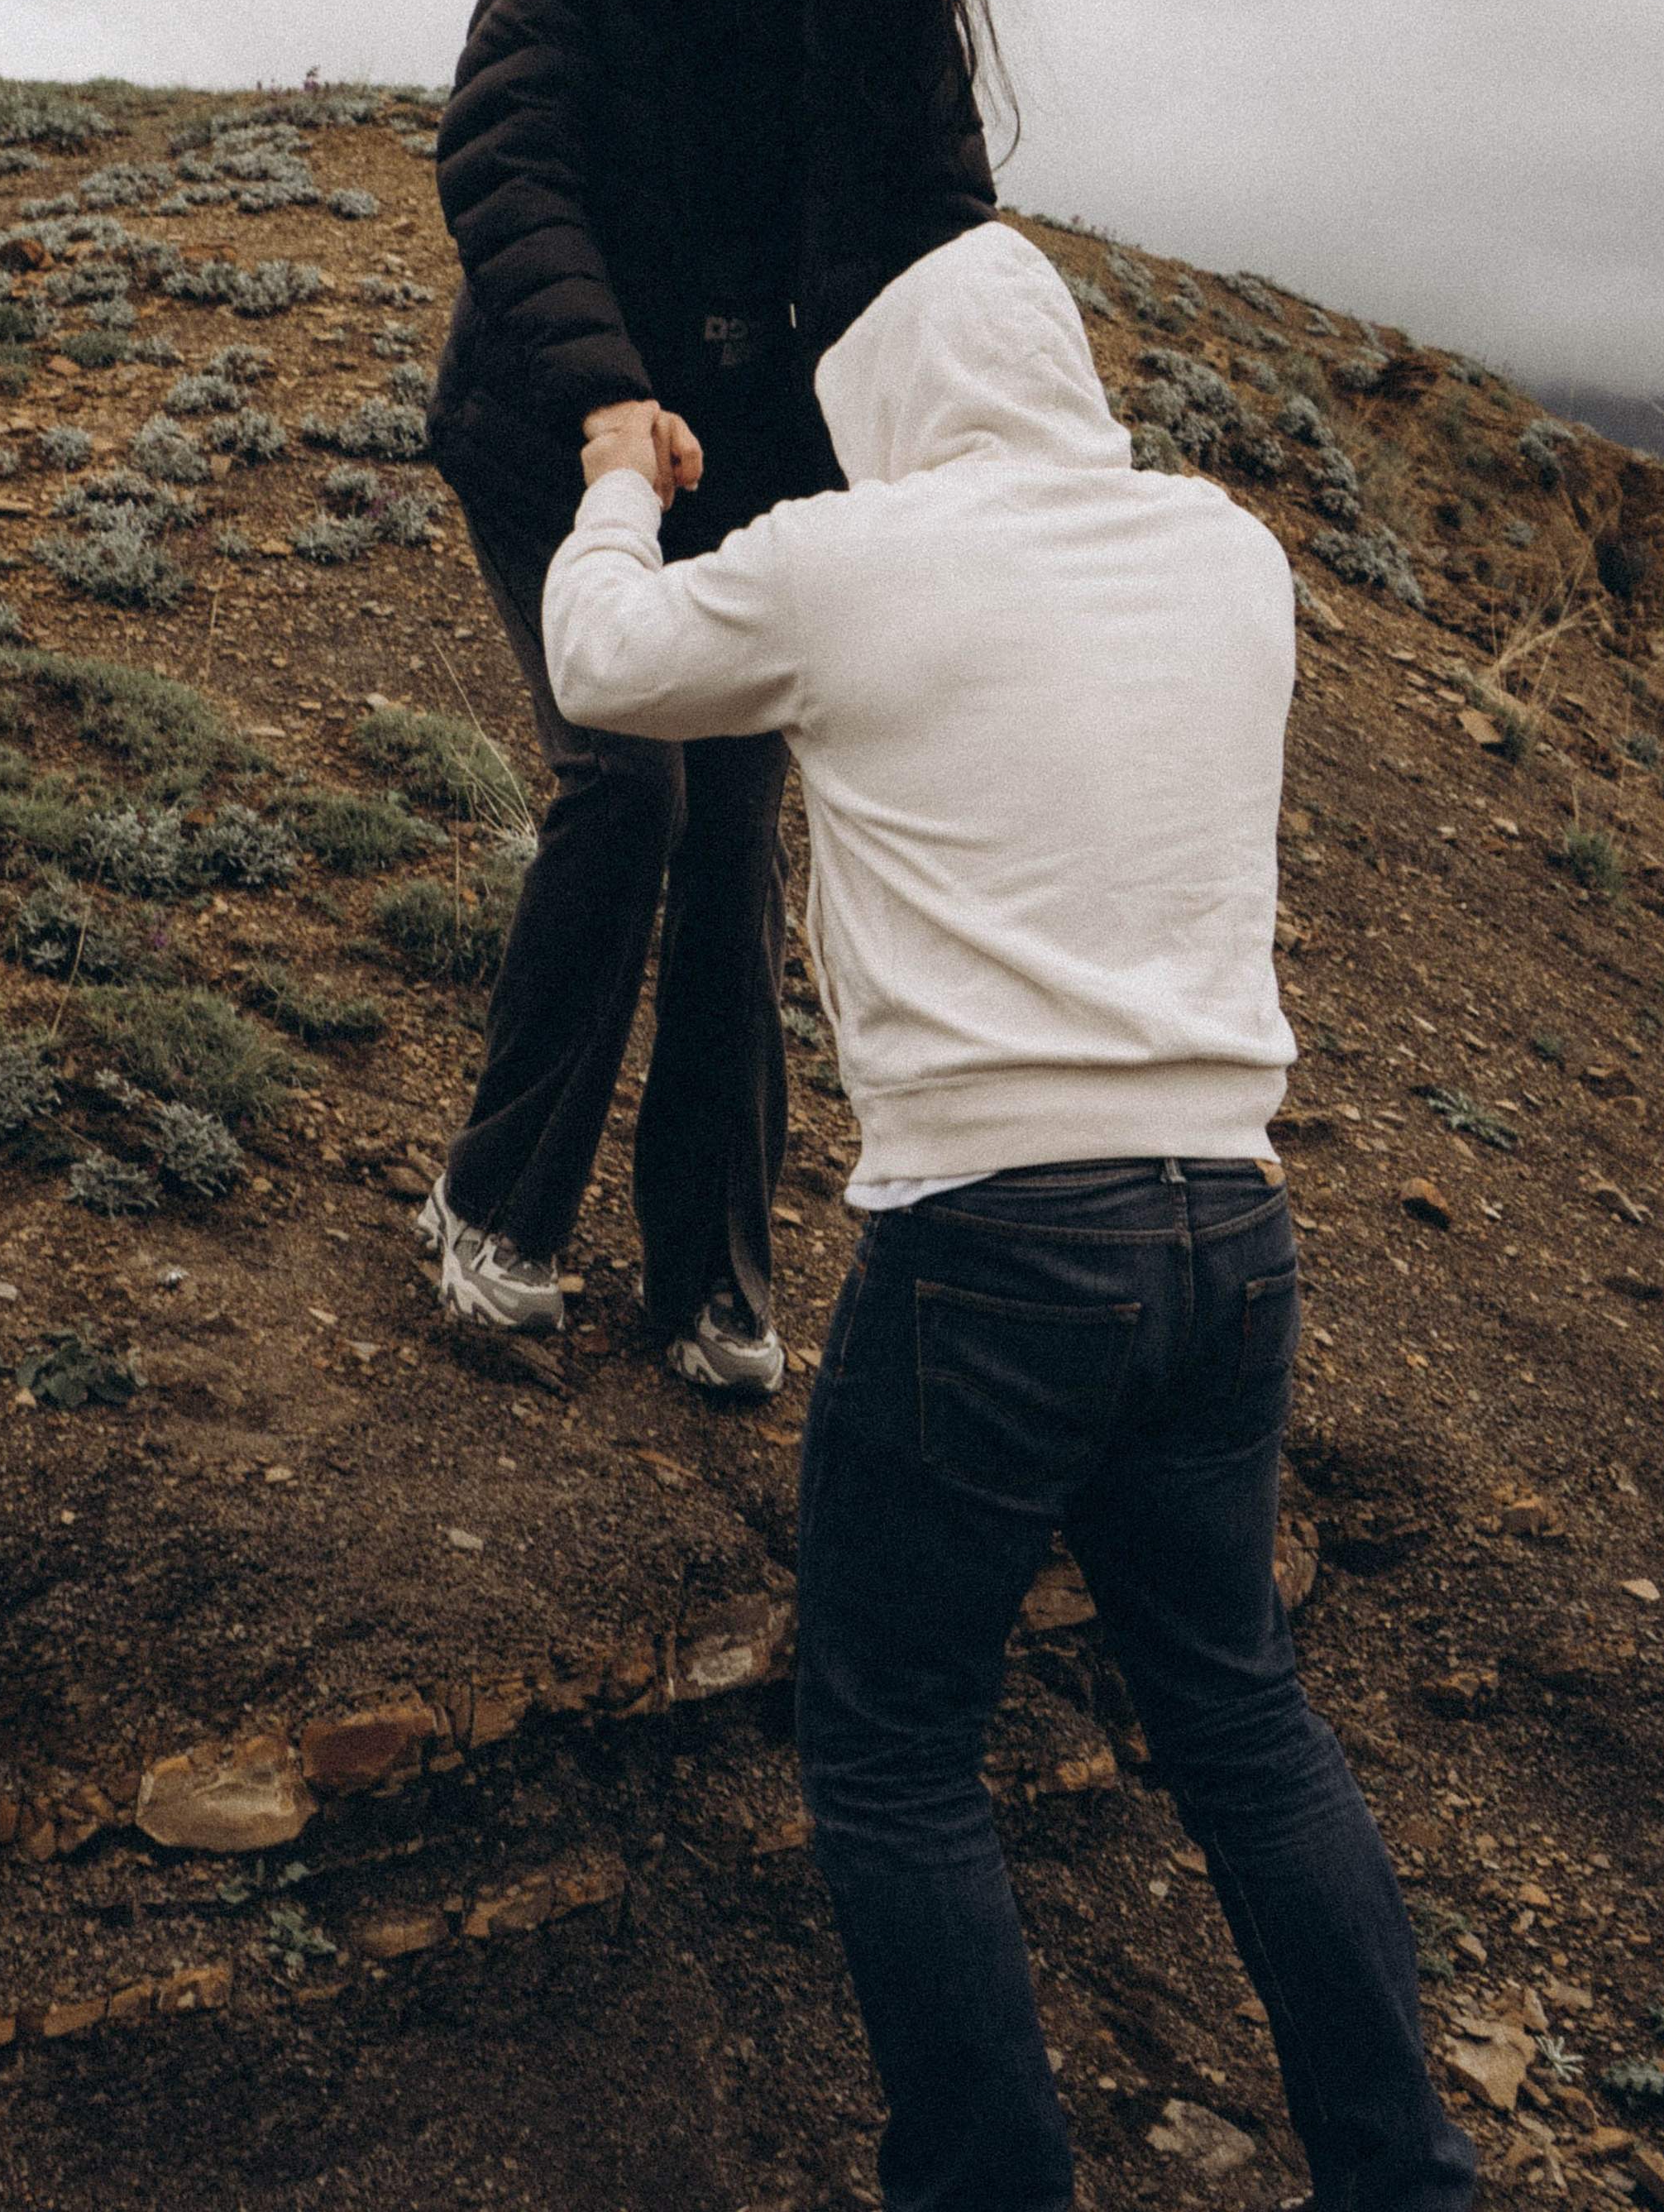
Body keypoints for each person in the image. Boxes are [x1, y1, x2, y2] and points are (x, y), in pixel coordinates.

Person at [542, 221, 1476, 2212]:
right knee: (1239, 1718)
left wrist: (620, 469)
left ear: (885, 405)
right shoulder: (1229, 556)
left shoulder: (855, 564)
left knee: (890, 1752)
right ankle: (1403, 2181)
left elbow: (598, 665)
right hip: (1228, 1233)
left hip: (983, 1246)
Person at [421, 0, 1001, 1396]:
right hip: (556, 420)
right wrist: (607, 392)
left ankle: (710, 1278)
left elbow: (947, 225)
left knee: (737, 819)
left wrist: (970, 438)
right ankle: (488, 1210)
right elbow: (502, 158)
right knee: (627, 777)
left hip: (751, 445)